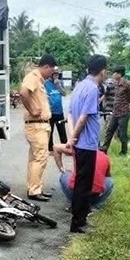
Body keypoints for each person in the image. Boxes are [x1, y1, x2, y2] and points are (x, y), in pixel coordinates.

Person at [66, 54, 108, 234]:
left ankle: (80, 219)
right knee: (84, 186)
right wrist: (74, 138)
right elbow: (83, 118)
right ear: (102, 71)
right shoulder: (92, 88)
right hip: (86, 144)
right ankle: (77, 223)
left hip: (79, 143)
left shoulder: (79, 86)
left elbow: (70, 114)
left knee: (81, 183)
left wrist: (71, 137)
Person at [19, 54, 57, 202]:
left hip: (40, 125)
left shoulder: (39, 80)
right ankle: (35, 190)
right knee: (41, 157)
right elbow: (23, 92)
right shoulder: (33, 77)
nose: (51, 73)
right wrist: (32, 109)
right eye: (51, 70)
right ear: (46, 66)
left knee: (35, 158)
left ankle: (34, 188)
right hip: (36, 125)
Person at [52, 143, 113, 210]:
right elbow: (108, 176)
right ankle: (95, 206)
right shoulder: (106, 158)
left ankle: (74, 203)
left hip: (75, 192)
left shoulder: (80, 150)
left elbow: (56, 147)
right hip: (93, 194)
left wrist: (61, 168)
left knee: (64, 175)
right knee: (109, 181)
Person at [101, 66, 130, 155]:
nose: (113, 75)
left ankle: (124, 151)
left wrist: (125, 104)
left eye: (114, 73)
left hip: (123, 112)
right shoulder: (114, 83)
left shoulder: (127, 85)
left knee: (122, 133)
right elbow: (106, 93)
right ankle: (104, 148)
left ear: (119, 74)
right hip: (115, 111)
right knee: (109, 130)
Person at [45, 67, 67, 152]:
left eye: (57, 74)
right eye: (55, 74)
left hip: (59, 111)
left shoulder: (60, 82)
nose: (56, 76)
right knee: (50, 131)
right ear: (51, 74)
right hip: (50, 112)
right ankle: (50, 149)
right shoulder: (46, 83)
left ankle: (65, 147)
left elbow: (64, 94)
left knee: (62, 131)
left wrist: (58, 86)